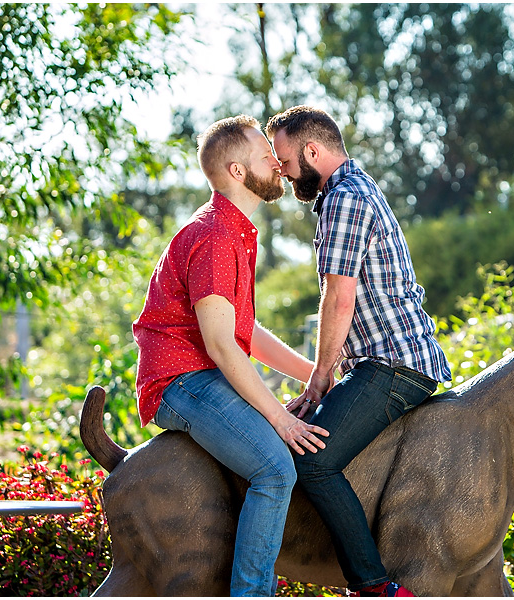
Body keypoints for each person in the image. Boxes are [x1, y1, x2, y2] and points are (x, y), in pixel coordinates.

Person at [132, 114, 329, 597]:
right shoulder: (218, 236)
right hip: (181, 382)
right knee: (275, 469)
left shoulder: (232, 231)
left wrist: (315, 373)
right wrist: (282, 422)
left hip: (200, 377)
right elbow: (222, 346)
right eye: (267, 156)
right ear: (238, 173)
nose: (278, 166)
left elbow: (244, 332)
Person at [265, 106, 452, 597]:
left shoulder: (346, 197)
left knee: (313, 460)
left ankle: (374, 587)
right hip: (385, 362)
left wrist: (320, 377)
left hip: (393, 366)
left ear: (312, 151)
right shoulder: (349, 191)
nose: (281, 171)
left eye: (284, 160)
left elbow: (339, 296)